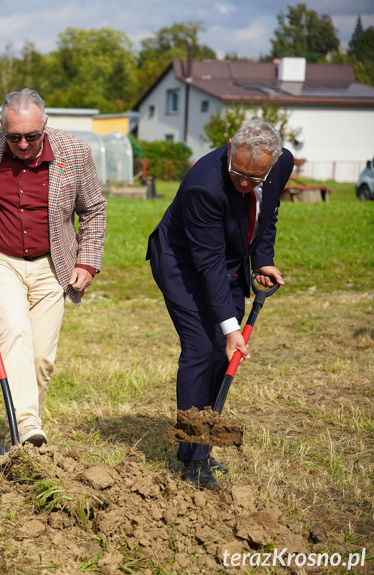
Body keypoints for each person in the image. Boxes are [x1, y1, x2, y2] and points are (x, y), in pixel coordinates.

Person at [0, 88, 106, 447]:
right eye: (13, 136)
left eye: (31, 136)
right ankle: (28, 430)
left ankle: (18, 435)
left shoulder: (75, 152)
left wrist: (88, 262)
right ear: (2, 127)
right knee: (14, 334)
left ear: (45, 125)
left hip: (53, 263)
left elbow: (93, 209)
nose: (22, 144)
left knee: (41, 359)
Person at [146, 118, 293, 490]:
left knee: (220, 354)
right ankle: (194, 459)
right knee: (201, 349)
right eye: (238, 172)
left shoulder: (282, 163)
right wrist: (230, 329)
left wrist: (262, 257)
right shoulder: (203, 185)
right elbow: (205, 262)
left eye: (253, 178)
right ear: (230, 146)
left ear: (273, 162)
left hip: (225, 261)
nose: (243, 183)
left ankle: (200, 446)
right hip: (182, 263)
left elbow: (267, 212)